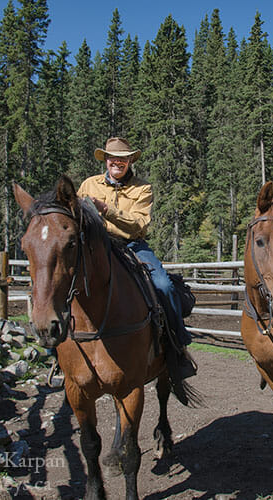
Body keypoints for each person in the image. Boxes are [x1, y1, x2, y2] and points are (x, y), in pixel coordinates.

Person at [77, 137, 196, 379]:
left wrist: (106, 210)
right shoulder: (88, 185)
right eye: (113, 158)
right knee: (64, 279)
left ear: (130, 160)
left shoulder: (143, 188)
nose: (117, 162)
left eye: (123, 158)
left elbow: (138, 224)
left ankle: (178, 346)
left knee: (163, 285)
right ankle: (56, 347)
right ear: (106, 159)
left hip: (131, 244)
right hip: (96, 244)